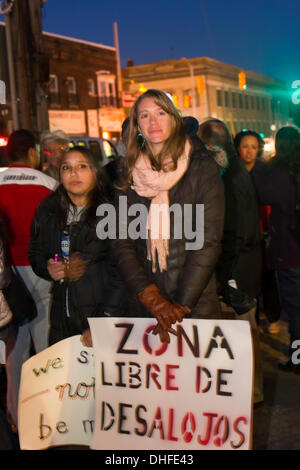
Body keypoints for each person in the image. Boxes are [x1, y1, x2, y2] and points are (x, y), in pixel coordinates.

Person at [110, 89, 225, 343]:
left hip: (193, 304)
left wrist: (177, 307)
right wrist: (151, 298)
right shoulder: (126, 172)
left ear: (174, 119)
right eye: (145, 115)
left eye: (161, 113)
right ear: (137, 125)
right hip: (144, 305)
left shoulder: (203, 167)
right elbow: (121, 240)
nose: (153, 122)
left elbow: (208, 242)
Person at [28, 146, 126, 346]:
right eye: (66, 168)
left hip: (102, 316)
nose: (74, 173)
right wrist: (48, 268)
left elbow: (124, 271)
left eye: (82, 166)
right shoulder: (48, 209)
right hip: (61, 319)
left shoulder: (113, 210)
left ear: (95, 172)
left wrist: (102, 321)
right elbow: (36, 252)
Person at [198, 119, 264, 405]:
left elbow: (236, 232)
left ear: (210, 143)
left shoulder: (228, 175)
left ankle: (250, 395)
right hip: (240, 267)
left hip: (237, 271)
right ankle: (249, 393)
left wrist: (224, 276)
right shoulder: (231, 170)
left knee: (243, 335)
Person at [0, 129, 57, 429]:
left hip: (7, 278)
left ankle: (17, 416)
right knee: (46, 345)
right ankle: (47, 415)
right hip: (42, 271)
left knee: (15, 350)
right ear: (33, 153)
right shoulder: (49, 185)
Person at [251, 126, 300, 374]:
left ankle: (297, 358)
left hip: (289, 251)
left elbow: (262, 194)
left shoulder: (277, 173)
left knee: (295, 308)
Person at [234, 130, 281, 335]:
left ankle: (273, 317)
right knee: (245, 278)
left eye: (254, 147)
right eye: (245, 146)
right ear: (238, 148)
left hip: (264, 232)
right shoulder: (232, 173)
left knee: (267, 277)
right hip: (241, 234)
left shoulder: (266, 171)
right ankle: (253, 320)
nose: (249, 151)